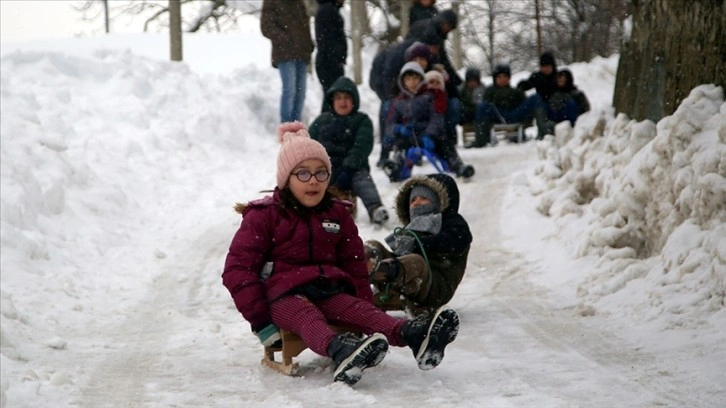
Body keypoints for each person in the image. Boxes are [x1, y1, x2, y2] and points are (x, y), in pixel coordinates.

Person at [222, 122, 460, 386]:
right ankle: (340, 349)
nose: (313, 180)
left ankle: (413, 335)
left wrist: (364, 305)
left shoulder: (336, 214)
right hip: (283, 295)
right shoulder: (265, 215)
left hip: (327, 289)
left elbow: (355, 264)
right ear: (286, 179)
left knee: (358, 309)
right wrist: (261, 322)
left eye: (320, 173)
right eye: (302, 174)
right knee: (305, 315)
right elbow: (238, 270)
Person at [364, 173, 472, 314]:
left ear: (438, 201)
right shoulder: (411, 227)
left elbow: (457, 240)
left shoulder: (451, 222)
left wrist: (419, 243)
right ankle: (362, 273)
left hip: (435, 287)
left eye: (424, 198)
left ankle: (380, 271)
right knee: (374, 247)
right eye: (413, 199)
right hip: (405, 282)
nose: (417, 202)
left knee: (415, 261)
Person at [309, 76, 390, 226]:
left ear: (354, 100)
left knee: (364, 183)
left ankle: (375, 208)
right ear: (332, 101)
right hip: (326, 170)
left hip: (354, 169)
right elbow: (309, 143)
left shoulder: (362, 120)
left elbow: (362, 146)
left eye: (347, 97)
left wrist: (349, 167)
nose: (342, 102)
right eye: (338, 98)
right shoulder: (321, 121)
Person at [382, 62, 474, 181]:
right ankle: (395, 168)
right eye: (408, 79)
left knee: (445, 144)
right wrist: (398, 128)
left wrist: (430, 134)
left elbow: (437, 118)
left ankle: (457, 165)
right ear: (403, 81)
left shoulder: (430, 96)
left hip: (429, 134)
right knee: (401, 146)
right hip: (409, 135)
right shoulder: (398, 102)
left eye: (415, 78)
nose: (412, 82)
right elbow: (390, 124)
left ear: (421, 79)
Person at [407, 10, 463, 144]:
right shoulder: (429, 33)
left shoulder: (438, 38)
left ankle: (443, 138)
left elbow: (444, 63)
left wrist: (455, 82)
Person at [469, 63, 549, 147]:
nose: (502, 79)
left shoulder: (516, 91)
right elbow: (484, 111)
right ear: (495, 79)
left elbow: (526, 108)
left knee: (536, 98)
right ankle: (481, 140)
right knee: (482, 106)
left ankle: (543, 133)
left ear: (509, 78)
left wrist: (525, 122)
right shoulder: (490, 91)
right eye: (499, 77)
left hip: (514, 115)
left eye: (505, 76)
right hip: (498, 116)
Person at [261, 0, 314, 123]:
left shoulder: (299, 2)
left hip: (301, 52)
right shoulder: (272, 2)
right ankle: (286, 127)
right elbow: (266, 26)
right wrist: (285, 39)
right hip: (284, 53)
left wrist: (308, 44)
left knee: (300, 93)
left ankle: (296, 125)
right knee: (290, 90)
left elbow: (304, 25)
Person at [314, 0, 347, 113]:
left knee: (332, 97)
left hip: (330, 61)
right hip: (329, 62)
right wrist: (337, 58)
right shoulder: (328, 10)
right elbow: (328, 41)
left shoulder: (329, 9)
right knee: (332, 98)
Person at [516, 51, 559, 138]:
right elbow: (527, 84)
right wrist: (521, 85)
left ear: (552, 66)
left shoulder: (557, 77)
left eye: (547, 66)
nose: (545, 69)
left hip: (555, 105)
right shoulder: (538, 76)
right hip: (540, 105)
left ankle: (546, 131)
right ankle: (540, 131)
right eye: (543, 66)